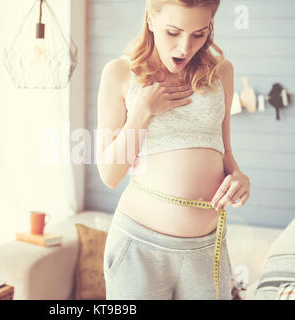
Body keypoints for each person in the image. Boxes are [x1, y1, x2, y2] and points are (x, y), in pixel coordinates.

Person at [96, 0, 251, 300]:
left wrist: (239, 177)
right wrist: (142, 110)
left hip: (205, 250)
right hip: (140, 248)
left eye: (199, 34)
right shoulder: (119, 73)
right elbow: (109, 175)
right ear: (151, 19)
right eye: (173, 32)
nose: (184, 47)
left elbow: (225, 152)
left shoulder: (222, 72)